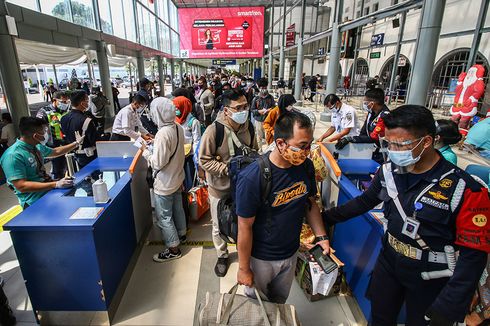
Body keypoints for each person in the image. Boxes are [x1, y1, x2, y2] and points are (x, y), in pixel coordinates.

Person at [323, 105, 490, 325]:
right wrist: (323, 219)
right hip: (389, 263)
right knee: (381, 317)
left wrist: (451, 302)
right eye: (389, 143)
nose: (393, 150)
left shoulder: (465, 190)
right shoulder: (389, 172)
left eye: (400, 144)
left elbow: (473, 256)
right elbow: (364, 202)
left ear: (427, 141)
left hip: (432, 274)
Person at [236, 111, 330, 304]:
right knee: (257, 307)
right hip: (261, 258)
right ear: (280, 143)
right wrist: (244, 268)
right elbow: (244, 226)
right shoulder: (253, 177)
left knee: (279, 302)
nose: (306, 151)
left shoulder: (306, 167)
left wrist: (322, 237)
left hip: (291, 252)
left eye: (309, 145)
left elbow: (310, 203)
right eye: (302, 146)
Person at [199, 89, 258, 277]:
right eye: (238, 108)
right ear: (226, 110)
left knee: (246, 222)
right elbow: (204, 160)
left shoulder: (249, 127)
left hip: (245, 188)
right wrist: (226, 169)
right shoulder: (213, 131)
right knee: (218, 224)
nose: (243, 110)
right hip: (220, 188)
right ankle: (222, 255)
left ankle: (245, 254)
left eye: (245, 106)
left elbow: (256, 150)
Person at [0, 117, 83, 209]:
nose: (46, 134)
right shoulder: (13, 156)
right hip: (34, 202)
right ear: (35, 136)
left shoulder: (36, 146)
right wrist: (55, 184)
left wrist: (76, 143)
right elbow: (21, 185)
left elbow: (56, 151)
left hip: (48, 191)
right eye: (43, 131)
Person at [142, 98, 186, 263]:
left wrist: (146, 152)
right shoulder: (177, 127)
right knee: (178, 208)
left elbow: (158, 162)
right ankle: (181, 234)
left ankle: (173, 249)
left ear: (159, 113)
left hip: (165, 183)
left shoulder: (162, 133)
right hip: (177, 177)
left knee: (164, 216)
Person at [335, 88, 390, 163]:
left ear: (372, 103)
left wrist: (351, 139)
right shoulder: (371, 113)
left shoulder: (385, 116)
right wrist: (356, 142)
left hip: (380, 154)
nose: (364, 104)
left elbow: (373, 137)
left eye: (365, 102)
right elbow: (364, 131)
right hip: (368, 149)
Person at [36, 91, 71, 179]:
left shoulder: (67, 110)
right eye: (63, 102)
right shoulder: (45, 111)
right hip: (54, 145)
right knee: (57, 169)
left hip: (67, 143)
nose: (65, 104)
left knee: (70, 167)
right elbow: (37, 127)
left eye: (67, 102)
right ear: (54, 100)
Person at [60, 90, 98, 169]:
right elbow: (94, 140)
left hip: (72, 155)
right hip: (89, 156)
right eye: (87, 100)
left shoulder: (63, 118)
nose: (88, 103)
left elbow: (64, 135)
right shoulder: (86, 120)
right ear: (82, 103)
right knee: (96, 177)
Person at [174, 95, 202, 192]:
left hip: (189, 155)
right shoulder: (174, 120)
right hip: (177, 154)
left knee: (189, 180)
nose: (175, 110)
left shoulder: (193, 122)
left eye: (177, 108)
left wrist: (196, 157)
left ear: (184, 107)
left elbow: (196, 140)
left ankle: (191, 202)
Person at [251, 78, 274, 148]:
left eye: (265, 87)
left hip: (268, 120)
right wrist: (258, 111)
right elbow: (252, 110)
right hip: (258, 120)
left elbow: (274, 107)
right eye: (261, 87)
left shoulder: (270, 97)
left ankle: (268, 149)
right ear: (258, 87)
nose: (263, 89)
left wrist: (270, 110)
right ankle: (259, 149)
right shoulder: (256, 98)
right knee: (259, 136)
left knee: (268, 135)